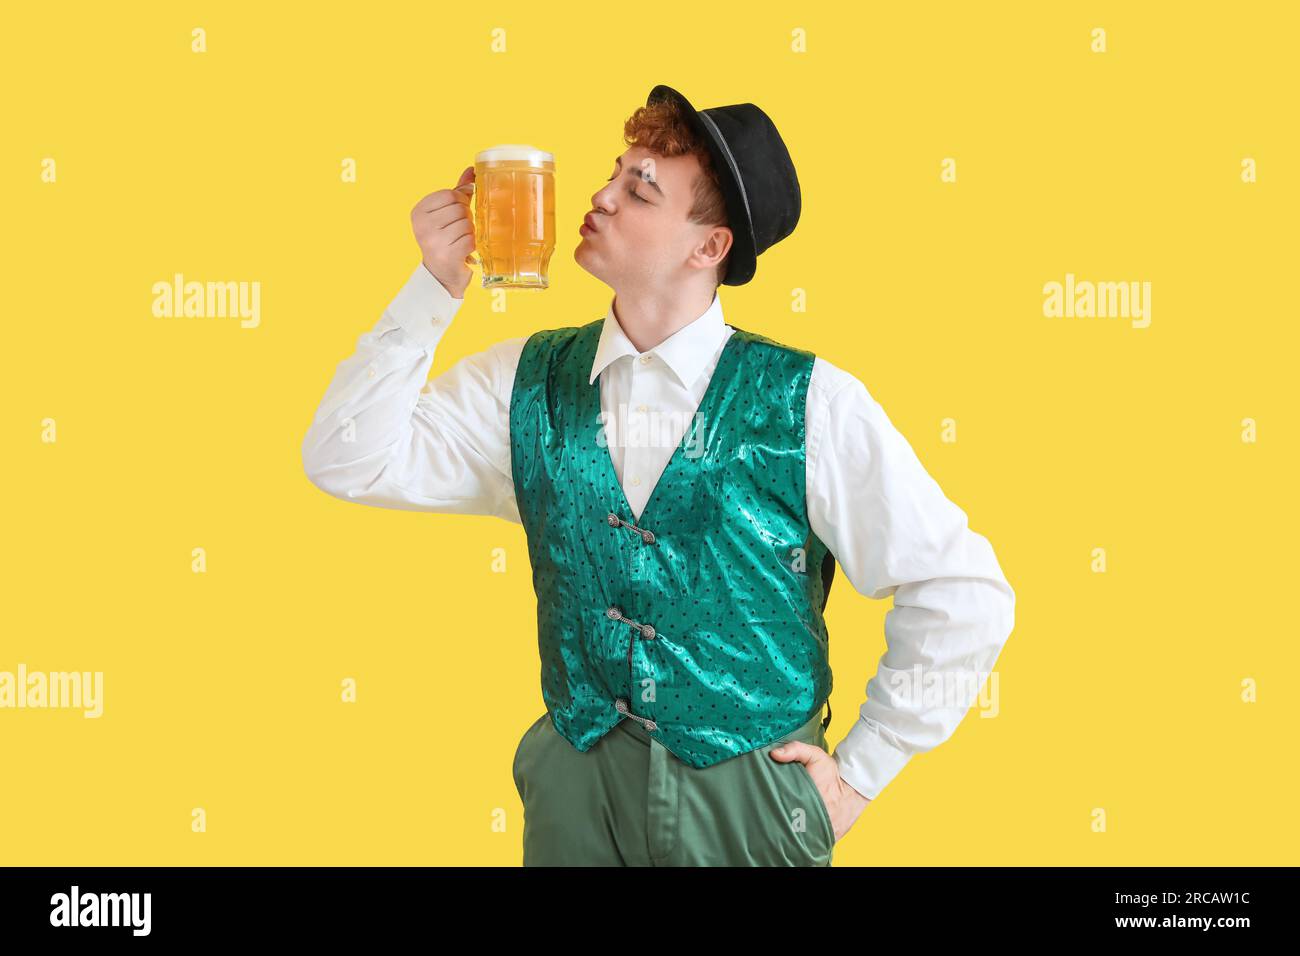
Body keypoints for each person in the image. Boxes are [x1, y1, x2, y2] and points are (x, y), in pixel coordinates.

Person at [301, 84, 1016, 866]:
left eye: (640, 189)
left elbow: (963, 593)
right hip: (574, 791)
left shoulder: (809, 403)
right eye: (614, 172)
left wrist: (861, 776)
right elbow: (346, 457)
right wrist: (431, 292)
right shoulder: (523, 383)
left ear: (708, 247)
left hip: (749, 801)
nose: (601, 197)